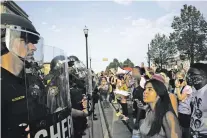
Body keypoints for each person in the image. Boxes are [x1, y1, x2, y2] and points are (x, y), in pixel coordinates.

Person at [1, 13, 44, 138]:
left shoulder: (31, 81)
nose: (34, 47)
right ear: (4, 42)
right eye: (25, 40)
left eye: (34, 42)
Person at [186, 63, 207, 138]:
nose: (189, 76)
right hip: (193, 132)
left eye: (192, 74)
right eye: (188, 73)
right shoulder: (194, 90)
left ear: (204, 75)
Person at [175, 72, 193, 138]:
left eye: (180, 78)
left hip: (185, 112)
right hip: (178, 111)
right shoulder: (178, 88)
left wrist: (177, 87)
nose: (178, 80)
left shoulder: (188, 88)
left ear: (184, 78)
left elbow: (180, 98)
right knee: (179, 131)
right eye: (176, 78)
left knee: (185, 131)